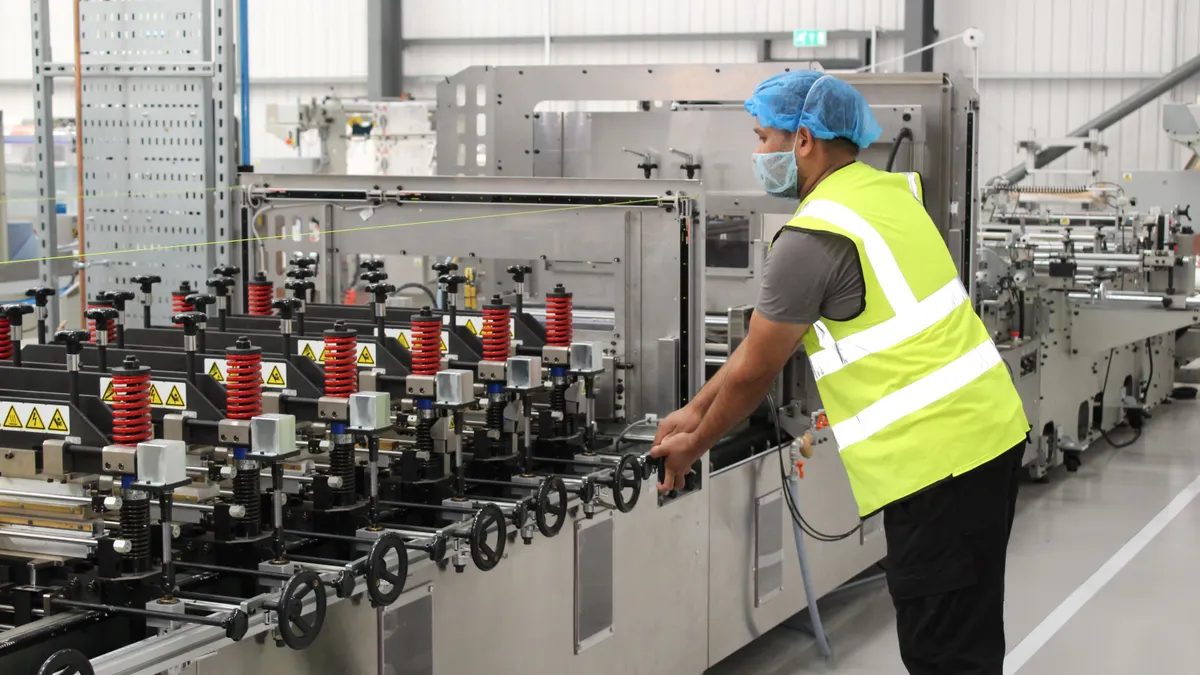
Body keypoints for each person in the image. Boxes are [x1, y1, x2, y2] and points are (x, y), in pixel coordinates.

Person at [649, 71, 1030, 675]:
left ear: (804, 140)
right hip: (987, 439)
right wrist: (692, 411)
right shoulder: (887, 195)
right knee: (969, 633)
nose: (758, 154)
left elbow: (753, 371)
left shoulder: (813, 235)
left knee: (944, 654)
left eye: (763, 137)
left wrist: (694, 442)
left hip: (937, 465)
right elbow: (757, 350)